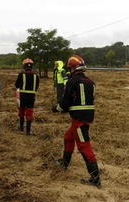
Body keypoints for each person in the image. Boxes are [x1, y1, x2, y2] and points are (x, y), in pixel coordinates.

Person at [52, 55, 100, 186]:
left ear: (72, 68)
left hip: (79, 119)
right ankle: (64, 163)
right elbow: (83, 101)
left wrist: (57, 108)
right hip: (87, 116)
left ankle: (95, 178)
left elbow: (65, 102)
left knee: (84, 145)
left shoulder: (72, 82)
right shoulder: (91, 82)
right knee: (68, 137)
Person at [15, 58, 39, 135]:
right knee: (29, 112)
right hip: (31, 96)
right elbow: (36, 87)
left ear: (24, 66)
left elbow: (16, 85)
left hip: (22, 96)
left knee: (21, 111)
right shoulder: (36, 75)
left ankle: (21, 127)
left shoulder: (21, 74)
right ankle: (28, 131)